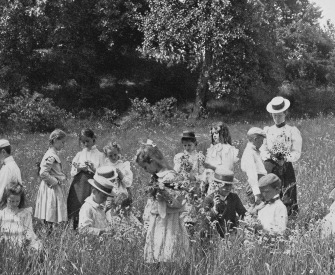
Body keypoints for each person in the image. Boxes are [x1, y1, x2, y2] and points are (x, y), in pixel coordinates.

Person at [136, 140, 190, 263]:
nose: (145, 170)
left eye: (145, 167)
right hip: (157, 219)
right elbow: (151, 200)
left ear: (153, 161)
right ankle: (159, 265)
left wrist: (164, 194)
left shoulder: (170, 176)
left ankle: (169, 265)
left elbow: (178, 200)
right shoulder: (155, 177)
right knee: (157, 249)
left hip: (169, 221)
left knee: (169, 249)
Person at [260, 96, 302, 216]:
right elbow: (263, 149)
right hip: (270, 166)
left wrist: (285, 158)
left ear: (285, 113)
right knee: (270, 193)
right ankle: (270, 219)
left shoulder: (292, 131)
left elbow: (296, 152)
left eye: (279, 115)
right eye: (274, 115)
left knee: (288, 193)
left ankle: (289, 219)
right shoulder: (268, 131)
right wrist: (272, 157)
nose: (277, 118)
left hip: (285, 166)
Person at [67, 129, 105, 230]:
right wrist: (79, 168)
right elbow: (72, 171)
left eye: (87, 141)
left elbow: (103, 172)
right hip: (79, 183)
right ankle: (76, 228)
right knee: (77, 204)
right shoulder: (80, 154)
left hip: (92, 183)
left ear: (93, 139)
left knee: (90, 205)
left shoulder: (100, 155)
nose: (85, 144)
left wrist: (93, 169)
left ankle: (91, 227)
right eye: (83, 142)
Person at [200, 167, 246, 246]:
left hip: (231, 233)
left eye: (230, 185)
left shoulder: (233, 197)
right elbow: (205, 219)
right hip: (215, 235)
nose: (228, 188)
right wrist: (214, 210)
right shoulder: (209, 199)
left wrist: (240, 229)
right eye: (225, 186)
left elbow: (242, 213)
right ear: (217, 185)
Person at [34, 129, 68, 229]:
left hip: (51, 187)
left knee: (50, 211)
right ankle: (48, 232)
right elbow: (43, 173)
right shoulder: (51, 155)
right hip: (50, 188)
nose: (63, 145)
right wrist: (55, 181)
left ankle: (50, 232)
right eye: (62, 142)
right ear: (55, 140)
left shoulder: (52, 153)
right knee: (50, 210)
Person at [173, 131, 205, 227]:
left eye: (189, 145)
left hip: (195, 186)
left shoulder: (199, 157)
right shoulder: (179, 157)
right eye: (185, 145)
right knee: (183, 207)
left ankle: (193, 225)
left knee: (193, 206)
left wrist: (194, 177)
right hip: (182, 185)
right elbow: (176, 171)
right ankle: (183, 226)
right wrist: (181, 167)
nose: (187, 148)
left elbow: (203, 174)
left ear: (195, 144)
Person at [0, 182, 42, 250]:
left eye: (17, 201)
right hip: (6, 239)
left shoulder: (24, 213)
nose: (15, 203)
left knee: (36, 247)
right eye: (11, 201)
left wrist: (28, 238)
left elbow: (29, 228)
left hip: (21, 238)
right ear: (6, 198)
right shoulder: (2, 214)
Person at [203, 122, 239, 195]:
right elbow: (208, 168)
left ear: (223, 133)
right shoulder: (213, 148)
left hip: (222, 181)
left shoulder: (227, 149)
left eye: (216, 133)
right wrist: (204, 179)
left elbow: (227, 169)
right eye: (213, 134)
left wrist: (211, 167)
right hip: (212, 180)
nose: (214, 136)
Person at [103, 141, 133, 211]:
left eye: (115, 155)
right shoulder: (105, 166)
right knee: (109, 213)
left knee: (121, 213)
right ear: (107, 155)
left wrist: (121, 175)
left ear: (118, 153)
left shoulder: (123, 165)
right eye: (110, 155)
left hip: (121, 195)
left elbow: (128, 183)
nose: (113, 157)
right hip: (109, 195)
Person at [241, 127, 267, 207]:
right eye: (261, 141)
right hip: (255, 185)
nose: (262, 143)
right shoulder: (249, 152)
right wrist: (256, 192)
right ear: (255, 139)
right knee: (255, 208)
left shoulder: (255, 151)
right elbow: (251, 173)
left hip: (260, 183)